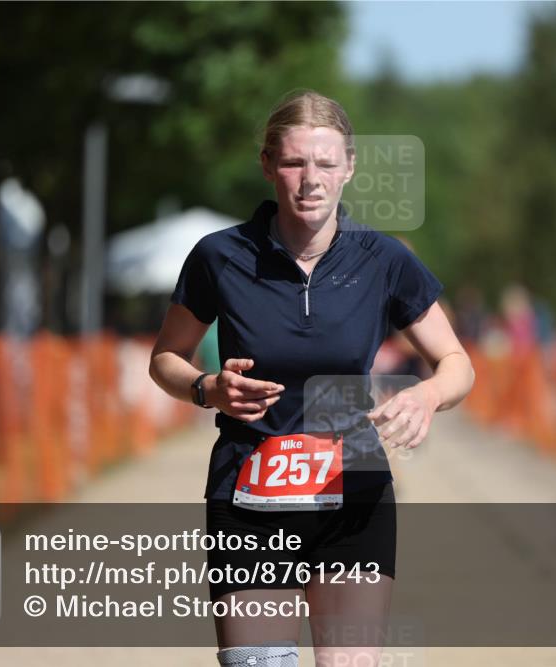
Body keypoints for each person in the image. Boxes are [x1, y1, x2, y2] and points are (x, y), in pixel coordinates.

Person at [149, 90, 474, 667]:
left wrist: (427, 394)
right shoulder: (219, 256)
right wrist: (207, 388)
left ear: (349, 167)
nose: (310, 180)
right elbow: (165, 359)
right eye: (296, 162)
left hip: (352, 493)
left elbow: (458, 365)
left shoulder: (383, 260)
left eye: (326, 163)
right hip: (249, 494)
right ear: (269, 164)